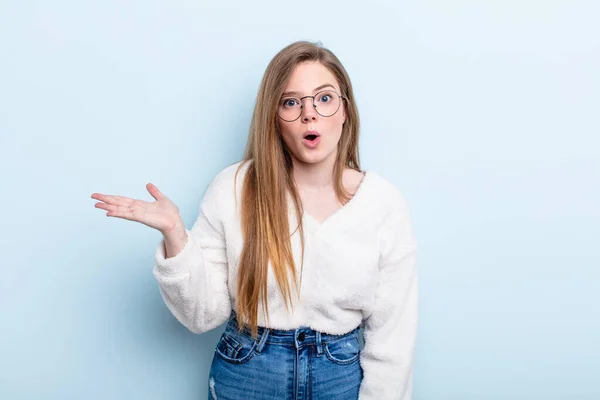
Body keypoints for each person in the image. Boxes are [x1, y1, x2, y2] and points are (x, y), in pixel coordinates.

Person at [91, 40, 418, 400]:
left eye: (324, 98)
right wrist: (175, 236)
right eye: (291, 102)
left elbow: (393, 336)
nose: (309, 114)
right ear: (274, 119)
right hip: (249, 372)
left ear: (345, 110)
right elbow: (202, 315)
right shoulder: (233, 189)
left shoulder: (383, 203)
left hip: (339, 376)